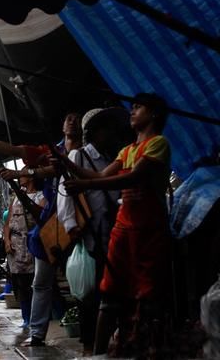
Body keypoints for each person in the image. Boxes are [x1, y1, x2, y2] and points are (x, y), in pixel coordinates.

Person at [63, 93, 171, 357]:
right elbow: (99, 175)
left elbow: (132, 178)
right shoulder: (127, 150)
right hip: (122, 229)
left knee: (146, 293)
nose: (132, 112)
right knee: (109, 291)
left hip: (148, 229)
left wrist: (84, 185)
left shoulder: (158, 144)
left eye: (138, 107)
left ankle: (146, 348)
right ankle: (101, 353)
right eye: (132, 107)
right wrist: (65, 161)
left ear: (154, 114)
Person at [0, 112, 83, 346]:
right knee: (41, 281)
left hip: (82, 219)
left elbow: (57, 170)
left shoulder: (85, 154)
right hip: (55, 223)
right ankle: (37, 332)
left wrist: (23, 173)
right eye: (67, 117)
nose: (70, 120)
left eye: (76, 117)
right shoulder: (51, 150)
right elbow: (13, 150)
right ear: (61, 125)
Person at [56, 108, 126, 354]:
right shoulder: (80, 156)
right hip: (90, 233)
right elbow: (65, 194)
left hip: (113, 233)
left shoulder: (114, 158)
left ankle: (107, 343)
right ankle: (90, 347)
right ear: (95, 132)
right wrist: (71, 226)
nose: (112, 134)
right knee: (90, 296)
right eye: (106, 129)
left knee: (110, 291)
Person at [5, 169, 46, 328]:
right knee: (20, 283)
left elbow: (41, 217)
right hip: (15, 246)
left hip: (31, 244)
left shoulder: (41, 197)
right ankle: (25, 317)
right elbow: (7, 223)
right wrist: (7, 241)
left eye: (21, 175)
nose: (19, 178)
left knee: (33, 282)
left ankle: (37, 317)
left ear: (30, 178)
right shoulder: (15, 198)